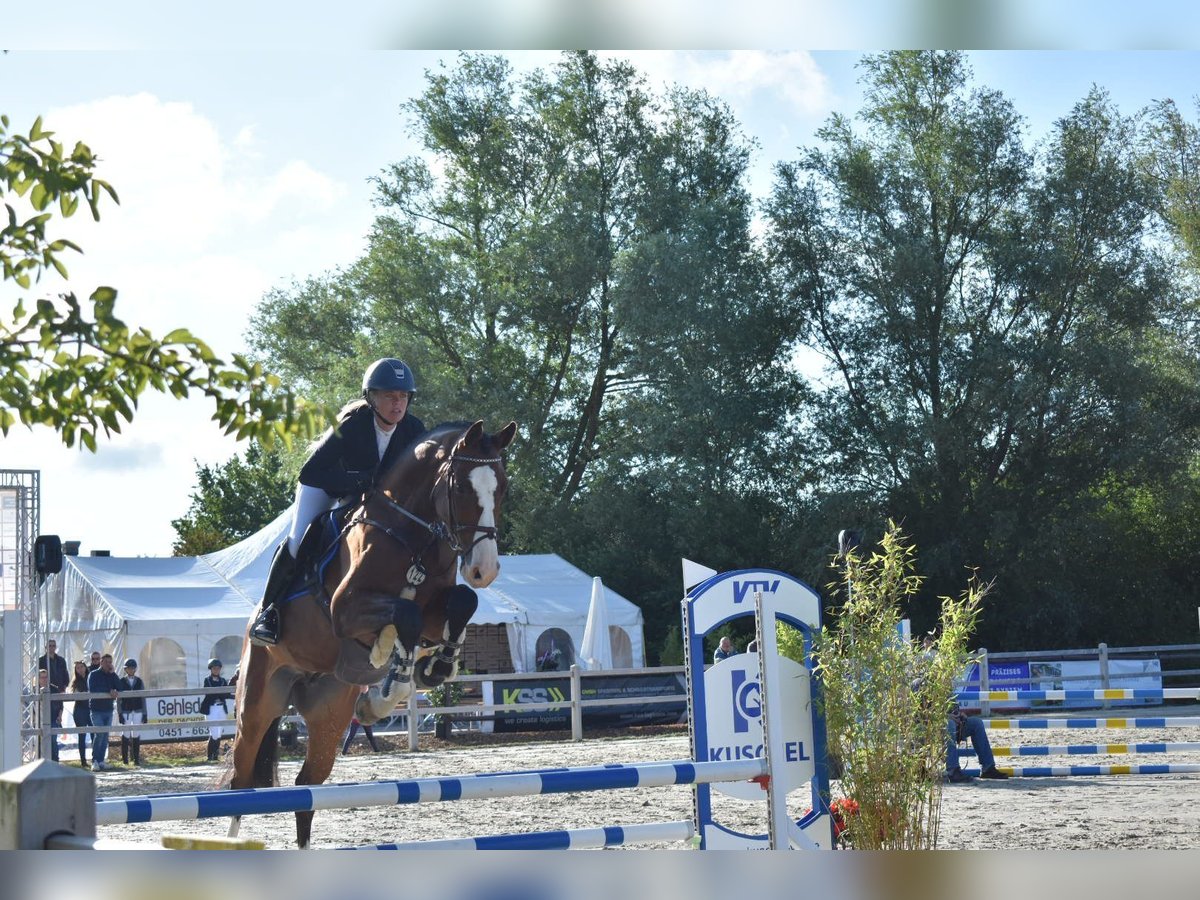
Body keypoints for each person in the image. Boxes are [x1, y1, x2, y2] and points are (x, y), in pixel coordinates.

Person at [249, 358, 426, 646]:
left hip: (376, 503)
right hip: (326, 488)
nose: (398, 404)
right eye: (390, 396)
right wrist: (358, 481)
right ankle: (269, 611)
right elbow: (311, 473)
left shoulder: (414, 429)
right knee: (298, 539)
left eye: (403, 396)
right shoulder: (352, 426)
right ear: (372, 398)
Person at [946, 704, 1010, 783]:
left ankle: (988, 768)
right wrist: (946, 717)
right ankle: (953, 771)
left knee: (976, 723)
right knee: (949, 724)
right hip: (936, 726)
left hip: (955, 724)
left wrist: (959, 715)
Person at [86, 653, 121, 771]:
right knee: (99, 734)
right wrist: (109, 691)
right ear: (101, 662)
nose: (109, 664)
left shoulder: (111, 675)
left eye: (110, 662)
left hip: (108, 709)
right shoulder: (93, 674)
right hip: (96, 709)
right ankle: (94, 760)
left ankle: (101, 760)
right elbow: (93, 689)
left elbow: (120, 686)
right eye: (106, 662)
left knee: (105, 735)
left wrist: (113, 674)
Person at [37, 639, 69, 758]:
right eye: (49, 645)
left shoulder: (61, 660)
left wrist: (64, 687)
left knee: (54, 733)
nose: (51, 647)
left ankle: (55, 760)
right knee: (42, 735)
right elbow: (38, 676)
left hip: (57, 693)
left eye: (53, 645)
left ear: (56, 647)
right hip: (44, 692)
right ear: (46, 647)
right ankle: (42, 760)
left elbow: (66, 675)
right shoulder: (41, 660)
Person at [199, 658, 233, 761]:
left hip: (221, 708)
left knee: (218, 733)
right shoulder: (207, 680)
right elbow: (210, 694)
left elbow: (226, 694)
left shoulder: (223, 680)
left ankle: (215, 755)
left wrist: (233, 696)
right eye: (214, 668)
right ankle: (210, 756)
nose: (216, 670)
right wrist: (220, 693)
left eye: (218, 668)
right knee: (213, 732)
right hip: (211, 708)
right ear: (211, 669)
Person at [118, 658, 146, 766]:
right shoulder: (121, 681)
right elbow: (119, 699)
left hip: (138, 709)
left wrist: (145, 712)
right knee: (125, 733)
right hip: (126, 710)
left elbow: (143, 697)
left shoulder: (139, 681)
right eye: (129, 668)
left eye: (132, 668)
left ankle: (136, 759)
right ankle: (125, 760)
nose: (131, 670)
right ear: (126, 669)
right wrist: (120, 713)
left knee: (136, 733)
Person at [342, 685, 381, 754]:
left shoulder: (369, 696)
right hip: (356, 719)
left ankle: (377, 750)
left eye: (365, 687)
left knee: (370, 736)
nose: (364, 688)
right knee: (350, 736)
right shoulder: (356, 697)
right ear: (360, 688)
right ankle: (344, 752)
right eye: (362, 687)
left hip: (365, 719)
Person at [70, 659, 92, 769]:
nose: (80, 669)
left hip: (91, 709)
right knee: (82, 735)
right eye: (77, 668)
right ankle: (83, 761)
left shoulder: (91, 677)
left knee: (94, 733)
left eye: (81, 667)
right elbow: (76, 694)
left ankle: (95, 758)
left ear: (85, 667)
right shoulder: (75, 682)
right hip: (80, 710)